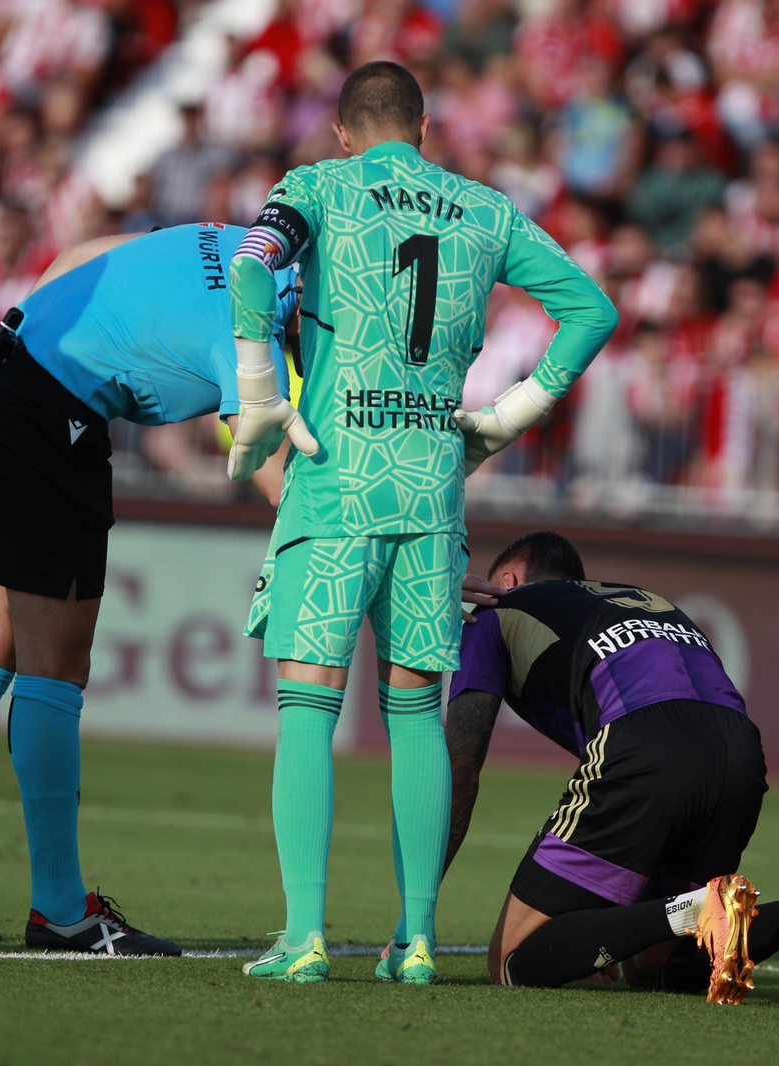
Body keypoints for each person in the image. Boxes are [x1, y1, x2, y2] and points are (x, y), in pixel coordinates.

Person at [223, 60, 618, 983]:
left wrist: (255, 394)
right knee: (413, 715)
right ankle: (418, 940)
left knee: (308, 708)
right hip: (431, 487)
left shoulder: (316, 187)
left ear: (344, 135)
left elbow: (250, 266)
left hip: (334, 481)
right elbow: (591, 309)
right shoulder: (482, 209)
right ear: (425, 130)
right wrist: (514, 413)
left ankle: (306, 937)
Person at [0, 223, 299, 955]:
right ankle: (61, 910)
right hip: (50, 412)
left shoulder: (233, 239)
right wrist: (327, 538)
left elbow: (85, 254)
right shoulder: (258, 312)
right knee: (56, 666)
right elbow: (255, 436)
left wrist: (4, 347)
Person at [441, 531, 779, 1006]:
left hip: (644, 740)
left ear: (508, 578)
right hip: (739, 750)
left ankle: (701, 908)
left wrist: (417, 915)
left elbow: (460, 767)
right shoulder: (651, 602)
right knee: (653, 968)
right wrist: (595, 941)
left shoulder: (493, 612)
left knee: (512, 958)